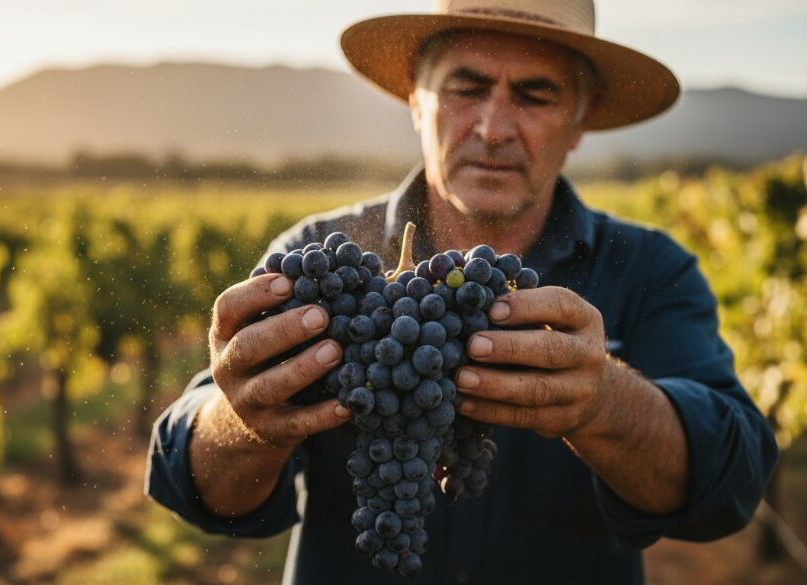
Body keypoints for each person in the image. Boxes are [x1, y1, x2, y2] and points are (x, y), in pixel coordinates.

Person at [145, 1, 779, 583]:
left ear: (580, 121)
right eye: (466, 87)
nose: (494, 127)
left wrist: (606, 402)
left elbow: (732, 486)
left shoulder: (649, 269)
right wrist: (241, 419)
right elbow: (190, 484)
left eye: (537, 95)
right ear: (416, 102)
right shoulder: (319, 260)